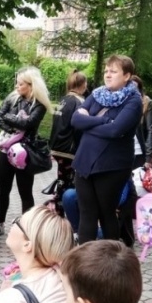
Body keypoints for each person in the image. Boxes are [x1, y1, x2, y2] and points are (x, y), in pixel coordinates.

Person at [71, 55, 142, 243]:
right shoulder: (97, 94)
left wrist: (89, 123)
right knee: (87, 213)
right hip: (85, 163)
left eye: (113, 71)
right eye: (106, 71)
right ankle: (84, 261)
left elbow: (115, 130)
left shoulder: (133, 101)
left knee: (106, 212)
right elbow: (76, 120)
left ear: (127, 76)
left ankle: (109, 261)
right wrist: (102, 120)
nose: (107, 75)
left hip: (111, 166)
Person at [0, 66, 51, 237]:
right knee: (3, 189)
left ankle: (28, 227)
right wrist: (13, 127)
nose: (17, 86)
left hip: (25, 152)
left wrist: (9, 118)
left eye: (21, 84)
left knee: (25, 191)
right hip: (6, 149)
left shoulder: (40, 105)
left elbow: (28, 123)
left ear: (31, 85)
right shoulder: (13, 98)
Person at [47, 70, 88, 213]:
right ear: (82, 84)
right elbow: (79, 126)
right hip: (70, 150)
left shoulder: (62, 100)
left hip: (57, 147)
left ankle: (58, 209)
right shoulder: (79, 102)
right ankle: (65, 212)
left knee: (62, 180)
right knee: (70, 184)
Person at [130, 75, 152, 169]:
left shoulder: (145, 103)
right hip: (121, 153)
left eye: (135, 87)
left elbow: (151, 130)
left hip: (139, 152)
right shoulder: (119, 101)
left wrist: (149, 157)